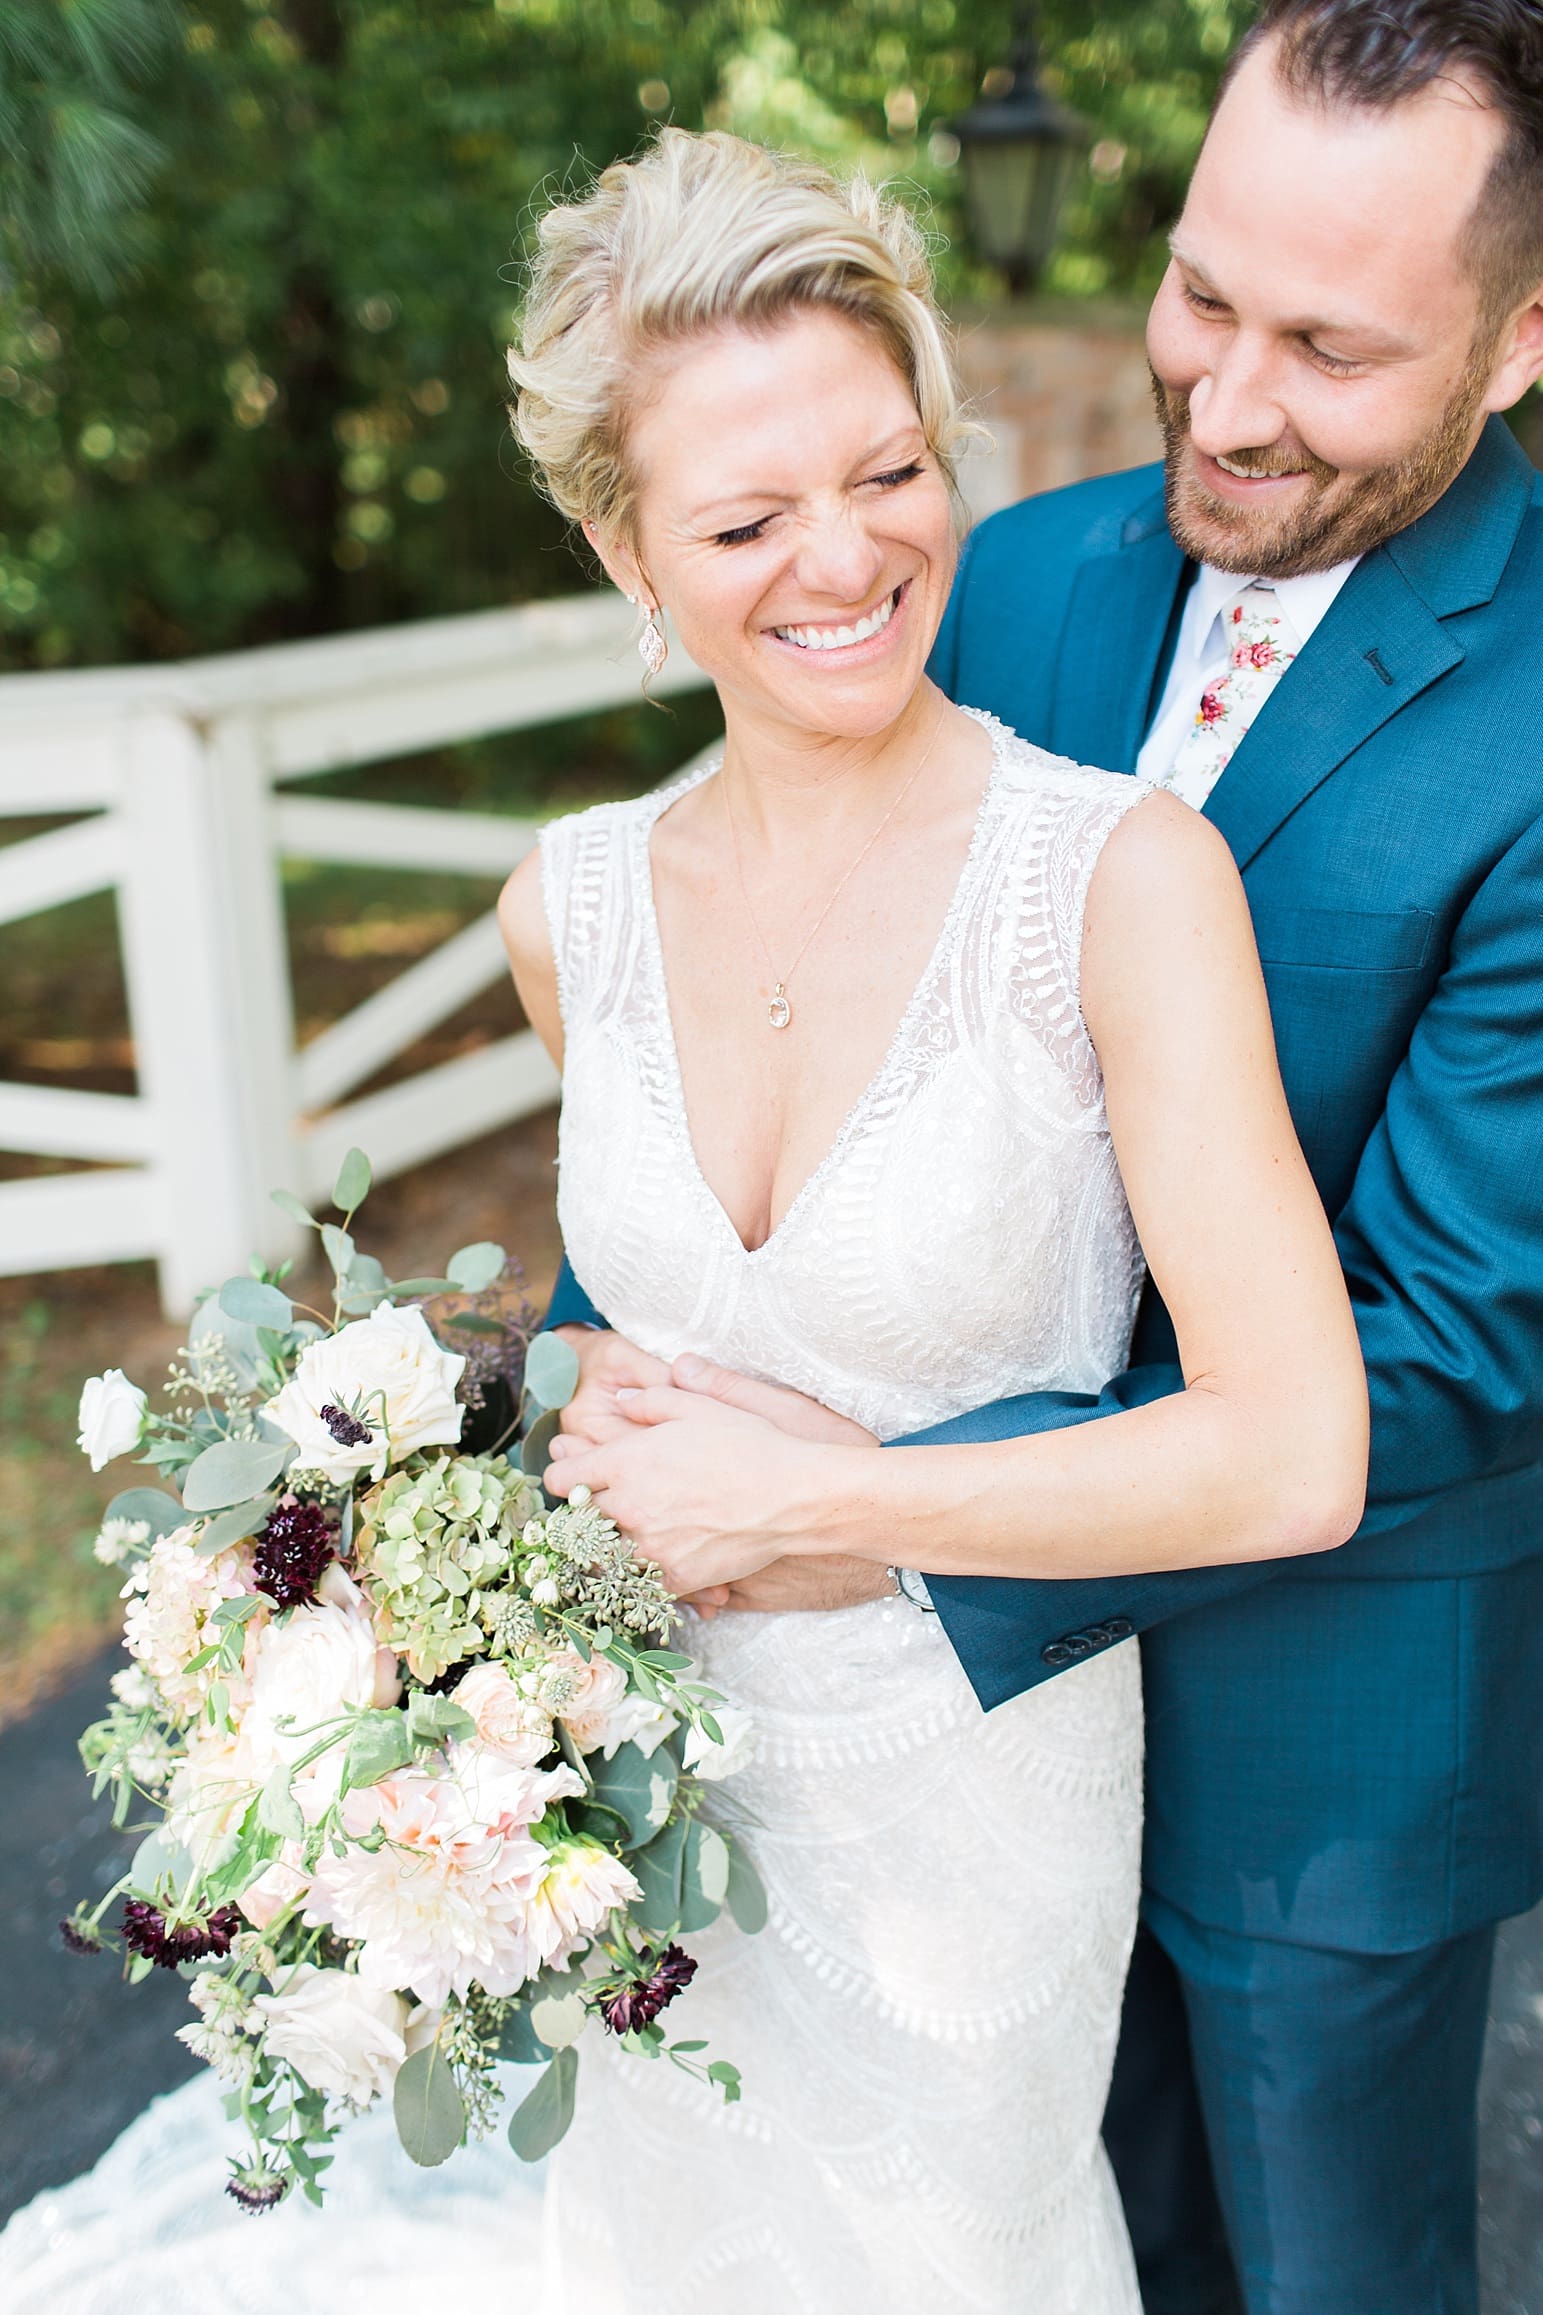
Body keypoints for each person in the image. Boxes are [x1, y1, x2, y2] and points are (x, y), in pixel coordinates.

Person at [541, 7, 1543, 2313]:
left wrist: (879, 1512)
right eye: (1202, 294)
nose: (1225, 393)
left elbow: (1462, 1343)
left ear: (1513, 347)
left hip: (1322, 1722)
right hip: (893, 1765)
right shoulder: (1003, 569)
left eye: (1331, 345)